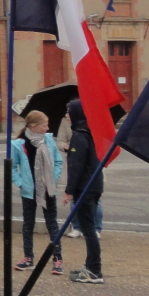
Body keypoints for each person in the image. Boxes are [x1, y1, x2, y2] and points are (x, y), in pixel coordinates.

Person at [11, 110, 63, 273]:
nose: (47, 128)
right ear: (33, 126)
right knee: (28, 223)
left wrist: (53, 179)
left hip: (48, 188)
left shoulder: (48, 140)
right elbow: (12, 167)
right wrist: (21, 183)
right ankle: (28, 257)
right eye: (44, 125)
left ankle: (57, 258)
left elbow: (58, 161)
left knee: (52, 223)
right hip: (29, 189)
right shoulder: (19, 143)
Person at [61, 99, 105, 283]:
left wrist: (69, 190)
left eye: (69, 112)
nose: (67, 116)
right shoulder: (90, 132)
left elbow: (76, 165)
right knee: (89, 228)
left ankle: (94, 270)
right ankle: (90, 265)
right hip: (94, 184)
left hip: (85, 187)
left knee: (88, 229)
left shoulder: (79, 135)